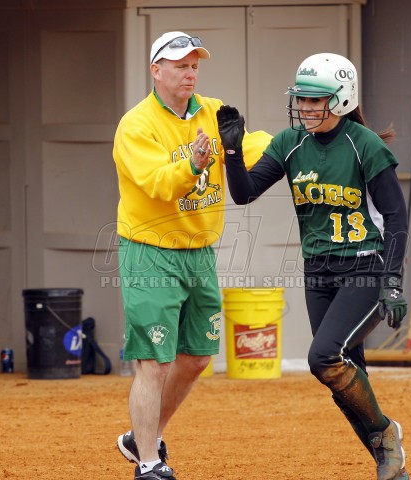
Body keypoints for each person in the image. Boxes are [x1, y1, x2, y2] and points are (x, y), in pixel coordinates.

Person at [217, 53, 410, 480]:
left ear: (342, 99)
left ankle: (385, 434)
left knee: (324, 357)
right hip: (318, 271)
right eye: (300, 98)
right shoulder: (290, 142)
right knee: (343, 378)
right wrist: (232, 149)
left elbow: (396, 216)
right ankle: (390, 465)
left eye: (314, 99)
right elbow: (244, 193)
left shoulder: (365, 145)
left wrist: (393, 281)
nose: (304, 106)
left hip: (365, 265)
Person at [112, 31, 271, 480]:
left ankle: (142, 437)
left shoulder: (212, 112)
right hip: (150, 251)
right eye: (180, 65)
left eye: (194, 65)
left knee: (198, 356)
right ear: (155, 70)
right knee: (155, 361)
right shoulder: (136, 125)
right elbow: (158, 183)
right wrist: (194, 165)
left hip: (198, 252)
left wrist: (308, 141)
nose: (190, 73)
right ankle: (148, 463)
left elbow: (258, 148)